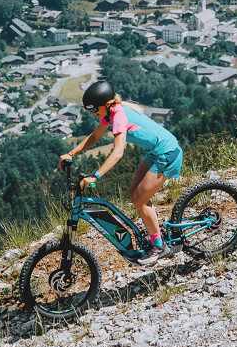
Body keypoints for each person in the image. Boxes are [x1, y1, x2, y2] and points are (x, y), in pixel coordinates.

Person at [60, 81, 184, 265]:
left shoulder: (118, 116)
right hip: (155, 151)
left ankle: (159, 246)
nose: (93, 114)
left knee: (140, 199)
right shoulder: (111, 113)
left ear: (107, 104)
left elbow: (118, 153)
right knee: (134, 193)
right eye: (90, 111)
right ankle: (154, 229)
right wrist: (72, 153)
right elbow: (95, 137)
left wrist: (96, 175)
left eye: (94, 110)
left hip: (167, 152)